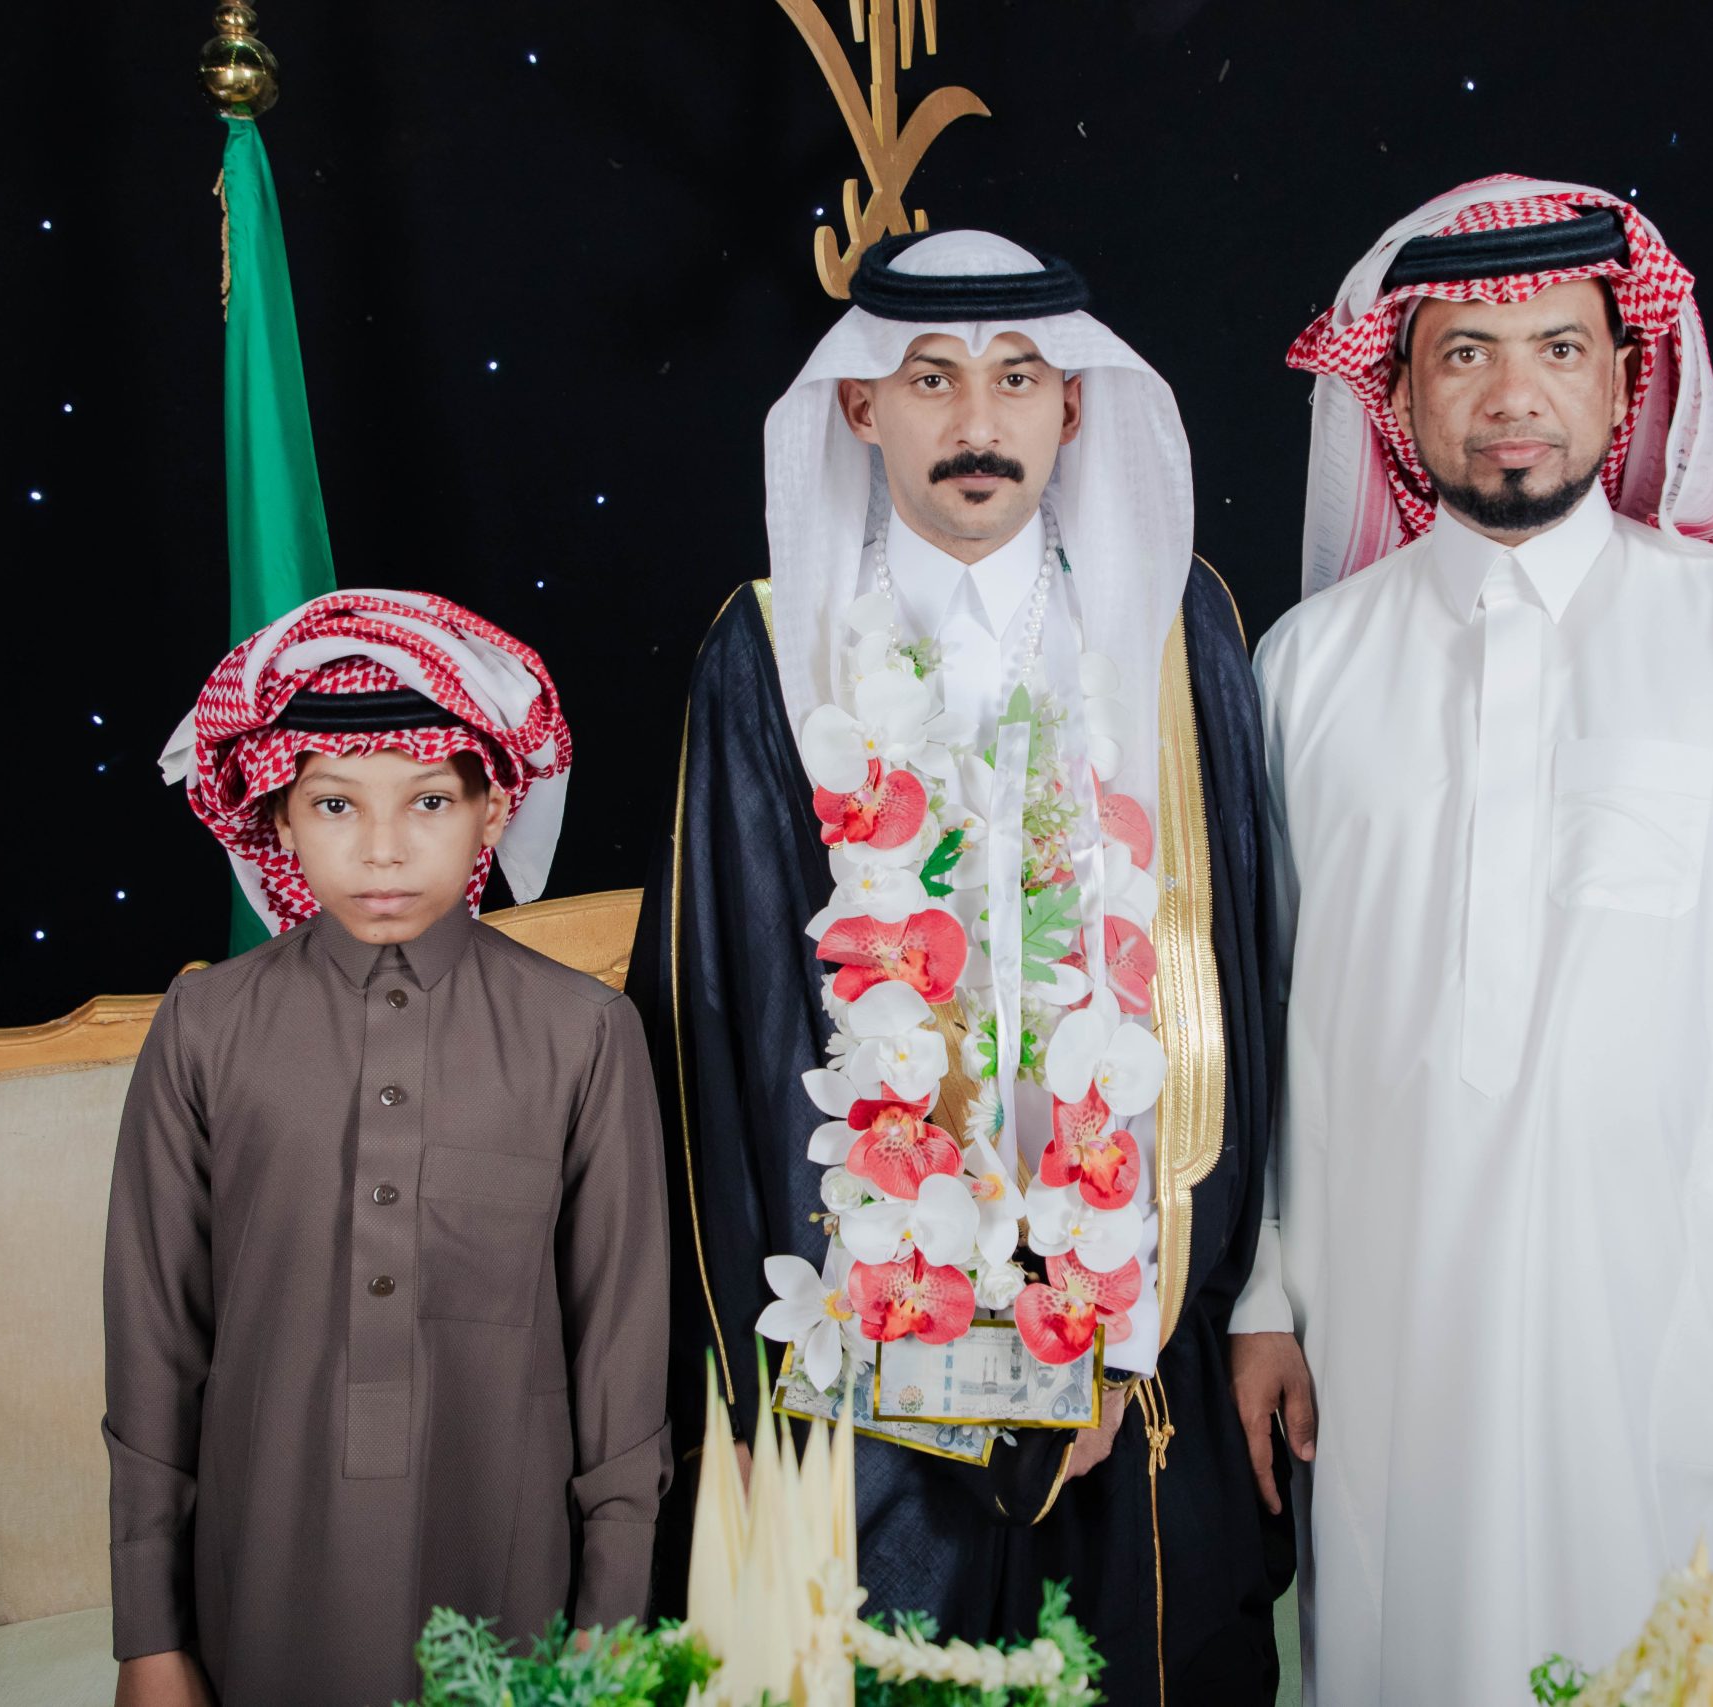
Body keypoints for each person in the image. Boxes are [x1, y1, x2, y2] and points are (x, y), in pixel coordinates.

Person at [1227, 175, 1713, 1701]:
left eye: (1558, 348)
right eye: (1465, 353)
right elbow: (1254, 1017)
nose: (1514, 397)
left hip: (1678, 1326)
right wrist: (1262, 1294)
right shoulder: (1304, 670)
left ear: (1625, 382)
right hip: (1387, 1337)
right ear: (1397, 396)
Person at [628, 230, 1288, 1703]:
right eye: (931, 379)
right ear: (862, 406)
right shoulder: (772, 647)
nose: (977, 423)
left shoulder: (1173, 627)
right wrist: (782, 1355)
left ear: (1075, 405)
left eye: (1018, 379)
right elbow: (722, 1017)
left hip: (1134, 1319)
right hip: (867, 1327)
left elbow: (1241, 977)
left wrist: (1162, 1300)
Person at [106, 591, 669, 1707]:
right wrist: (148, 1636)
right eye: (334, 804)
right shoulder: (205, 1027)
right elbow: (153, 1342)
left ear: (491, 811)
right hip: (258, 1586)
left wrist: (612, 1632)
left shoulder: (584, 1033)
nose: (382, 849)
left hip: (513, 1585)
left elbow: (623, 1356)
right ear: (277, 817)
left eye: (427, 801)